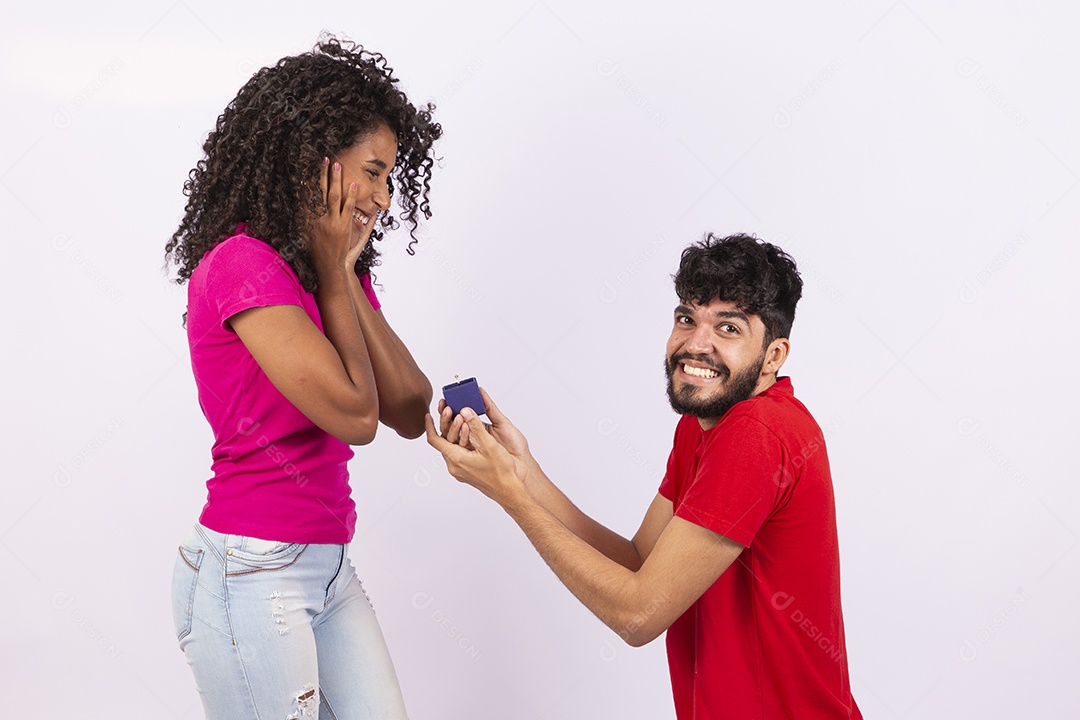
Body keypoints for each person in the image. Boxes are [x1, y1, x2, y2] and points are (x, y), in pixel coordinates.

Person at [427, 233, 862, 719]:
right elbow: (639, 563)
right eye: (686, 318)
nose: (697, 344)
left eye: (729, 329)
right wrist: (524, 474)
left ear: (774, 357)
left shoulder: (758, 432)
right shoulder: (703, 427)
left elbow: (638, 615)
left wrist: (512, 499)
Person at [164, 36, 440, 719]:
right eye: (372, 172)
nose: (382, 196)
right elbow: (353, 416)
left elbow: (407, 409)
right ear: (319, 161)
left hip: (328, 566)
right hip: (251, 569)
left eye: (389, 179)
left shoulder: (330, 273)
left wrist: (340, 271)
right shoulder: (241, 264)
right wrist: (332, 268)